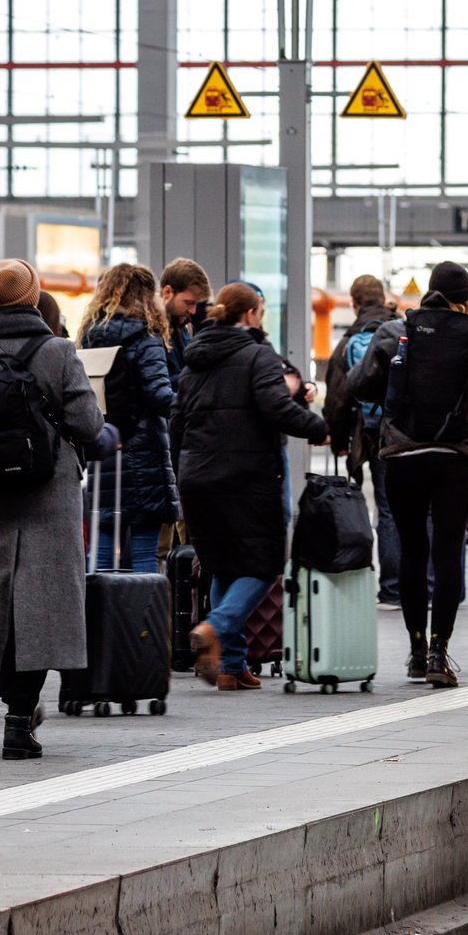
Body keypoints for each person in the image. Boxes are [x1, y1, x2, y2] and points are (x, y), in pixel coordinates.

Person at [0, 259, 111, 759]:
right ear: (33, 298)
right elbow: (88, 424)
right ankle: (19, 716)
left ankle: (11, 694)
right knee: (42, 604)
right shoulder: (58, 351)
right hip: (48, 494)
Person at [345, 261, 468, 688]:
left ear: (429, 293)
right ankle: (437, 654)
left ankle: (413, 648)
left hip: (403, 455)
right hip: (457, 459)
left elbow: (359, 385)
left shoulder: (395, 332)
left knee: (412, 550)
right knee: (446, 554)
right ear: (466, 299)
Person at [173, 282, 328, 690]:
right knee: (264, 563)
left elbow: (175, 422)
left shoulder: (194, 361)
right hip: (245, 477)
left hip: (197, 477)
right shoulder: (258, 355)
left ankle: (231, 666)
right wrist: (320, 428)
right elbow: (276, 407)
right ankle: (214, 627)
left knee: (223, 563)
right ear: (251, 315)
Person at [79, 264, 180, 574]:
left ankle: (100, 621)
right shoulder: (146, 336)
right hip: (143, 454)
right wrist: (193, 402)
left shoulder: (90, 336)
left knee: (102, 550)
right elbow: (160, 397)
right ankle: (140, 623)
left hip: (104, 446)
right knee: (144, 555)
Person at [324, 274, 404, 606]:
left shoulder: (349, 342)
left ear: (354, 303)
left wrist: (338, 440)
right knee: (404, 509)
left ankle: (390, 588)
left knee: (382, 510)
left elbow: (339, 397)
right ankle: (412, 585)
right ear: (383, 298)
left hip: (365, 434)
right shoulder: (402, 332)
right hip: (402, 432)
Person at [159, 258, 212, 364]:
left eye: (196, 304)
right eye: (188, 303)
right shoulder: (148, 331)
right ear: (167, 292)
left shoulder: (186, 328)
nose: (193, 311)